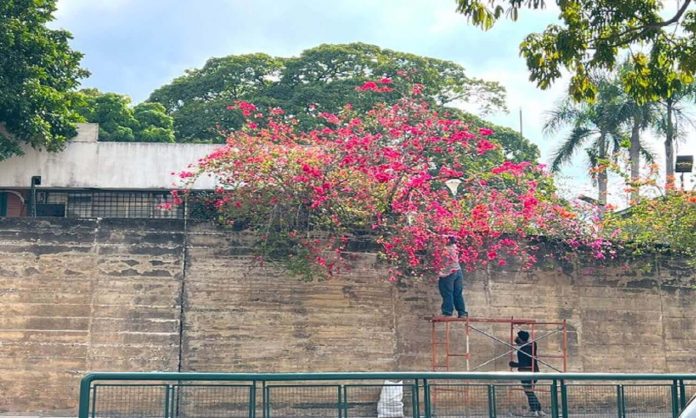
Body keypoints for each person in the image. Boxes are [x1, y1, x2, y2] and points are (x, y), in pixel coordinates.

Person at [509, 330, 545, 416]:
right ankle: (538, 410)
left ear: (520, 340)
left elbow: (524, 364)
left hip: (526, 373)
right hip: (535, 372)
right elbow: (533, 342)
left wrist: (513, 364)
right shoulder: (532, 347)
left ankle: (534, 410)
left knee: (529, 392)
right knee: (530, 392)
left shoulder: (521, 351)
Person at [436, 236, 468, 318]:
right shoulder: (455, 247)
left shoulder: (445, 249)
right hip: (458, 272)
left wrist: (441, 274)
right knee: (457, 293)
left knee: (447, 293)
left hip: (448, 273)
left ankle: (447, 312)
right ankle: (462, 313)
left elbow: (444, 263)